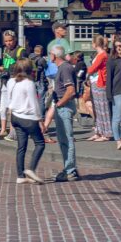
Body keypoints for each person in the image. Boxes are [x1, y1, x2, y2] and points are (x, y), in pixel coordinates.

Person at [0, 59, 46, 184]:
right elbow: (34, 103)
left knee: (21, 147)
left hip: (15, 117)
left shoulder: (11, 81)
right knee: (40, 143)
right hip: (28, 118)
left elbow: (9, 98)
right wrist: (40, 120)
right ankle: (31, 168)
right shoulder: (28, 83)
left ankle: (20, 175)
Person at [52, 50, 81, 182]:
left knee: (67, 139)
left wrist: (59, 104)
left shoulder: (65, 68)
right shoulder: (63, 68)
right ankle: (68, 168)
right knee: (63, 139)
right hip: (62, 106)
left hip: (64, 107)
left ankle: (71, 170)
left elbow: (70, 90)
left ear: (54, 56)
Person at [86, 36, 111, 142]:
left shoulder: (102, 55)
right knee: (97, 108)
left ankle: (106, 133)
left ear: (95, 44)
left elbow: (92, 69)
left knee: (102, 109)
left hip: (100, 83)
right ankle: (99, 131)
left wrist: (88, 71)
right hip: (95, 82)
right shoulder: (100, 55)